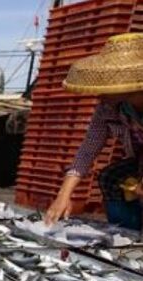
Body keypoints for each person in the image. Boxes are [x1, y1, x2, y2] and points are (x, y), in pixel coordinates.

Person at [46, 33, 143, 230]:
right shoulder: (109, 107)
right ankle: (127, 235)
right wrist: (63, 195)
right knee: (110, 177)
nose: (99, 93)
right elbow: (88, 150)